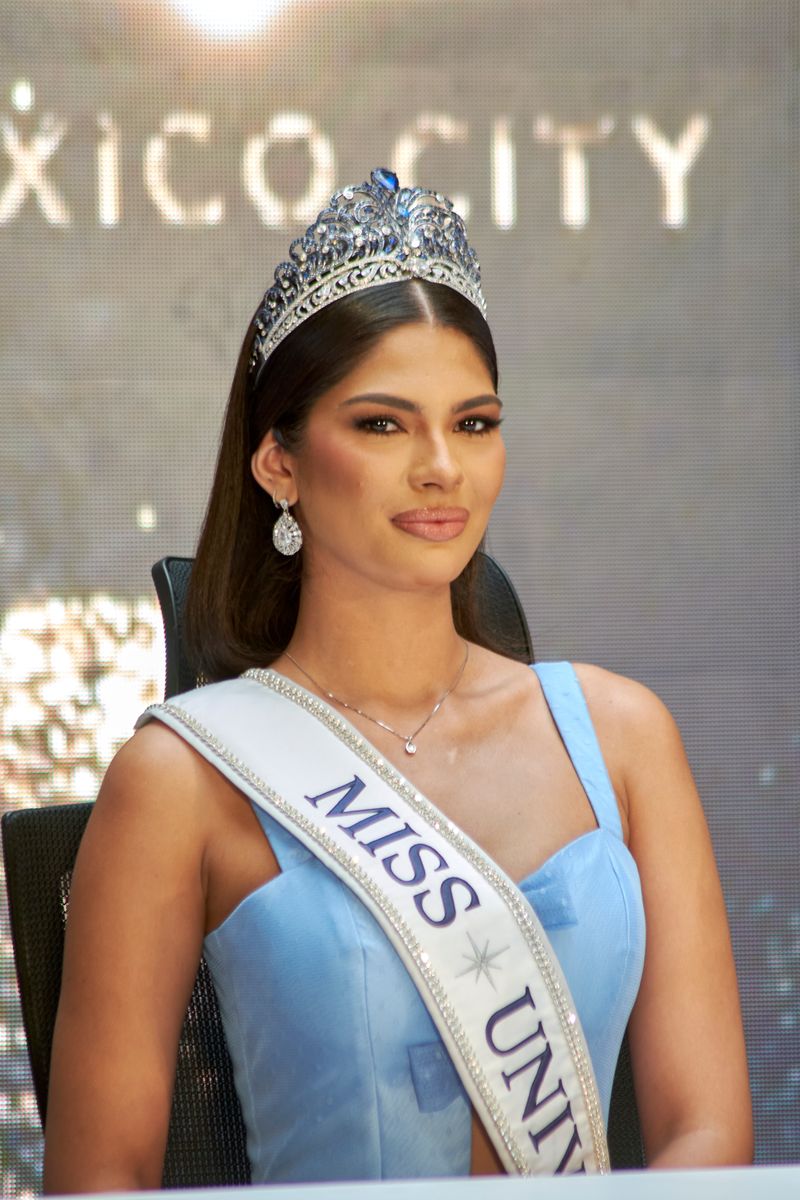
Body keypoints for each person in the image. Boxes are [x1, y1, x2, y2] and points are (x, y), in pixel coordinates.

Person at [43, 169, 752, 1191]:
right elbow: (96, 1184)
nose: (440, 468)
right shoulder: (180, 779)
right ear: (278, 462)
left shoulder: (625, 736)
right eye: (382, 424)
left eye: (473, 423)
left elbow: (703, 1141)